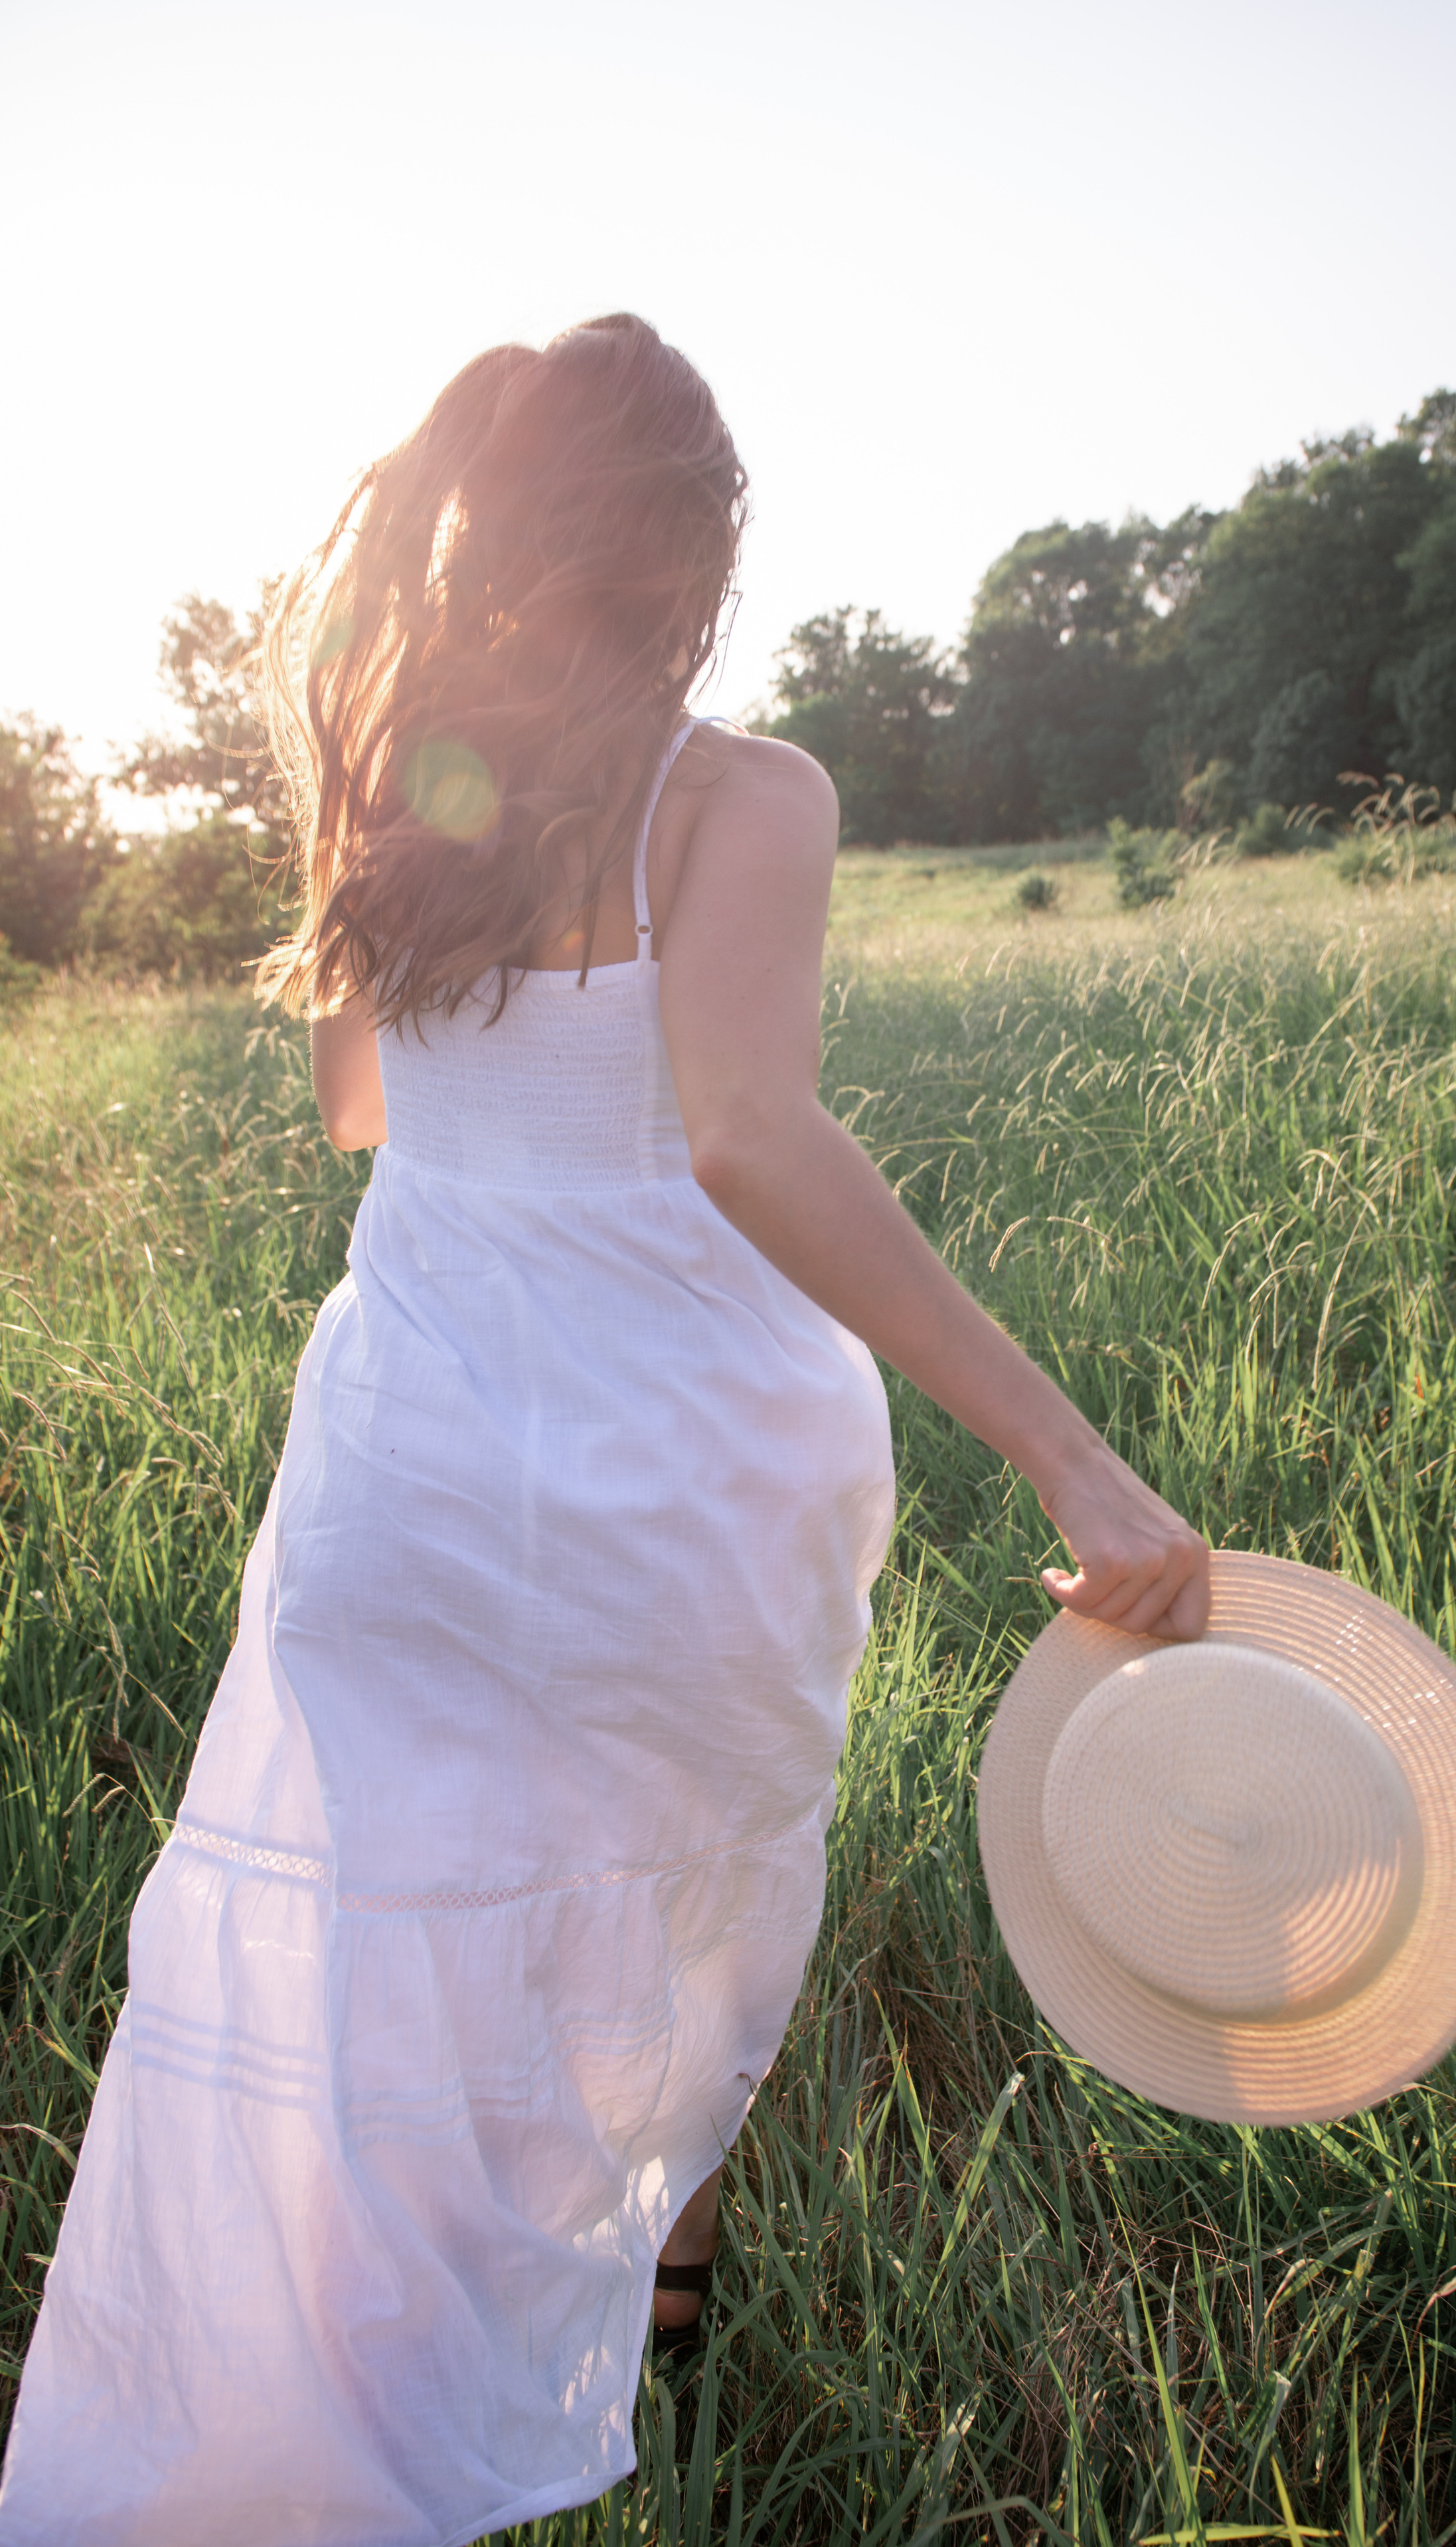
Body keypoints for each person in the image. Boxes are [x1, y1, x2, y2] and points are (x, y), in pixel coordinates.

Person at [0, 314, 1207, 2546]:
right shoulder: (744, 793)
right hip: (685, 1463)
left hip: (420, 1448)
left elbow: (368, 1112)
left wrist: (374, 790)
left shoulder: (396, 774)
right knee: (677, 1900)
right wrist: (1062, 1445)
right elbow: (747, 1133)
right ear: (699, 550)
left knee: (400, 1932)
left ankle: (342, 2402)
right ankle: (645, 2282)